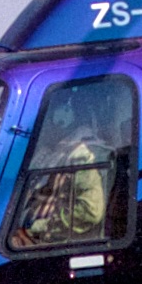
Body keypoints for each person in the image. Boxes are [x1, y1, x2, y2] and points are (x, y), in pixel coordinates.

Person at [11, 105, 121, 249]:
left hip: (50, 246)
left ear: (59, 119)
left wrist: (36, 228)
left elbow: (90, 211)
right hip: (23, 238)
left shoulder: (84, 154)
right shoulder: (48, 152)